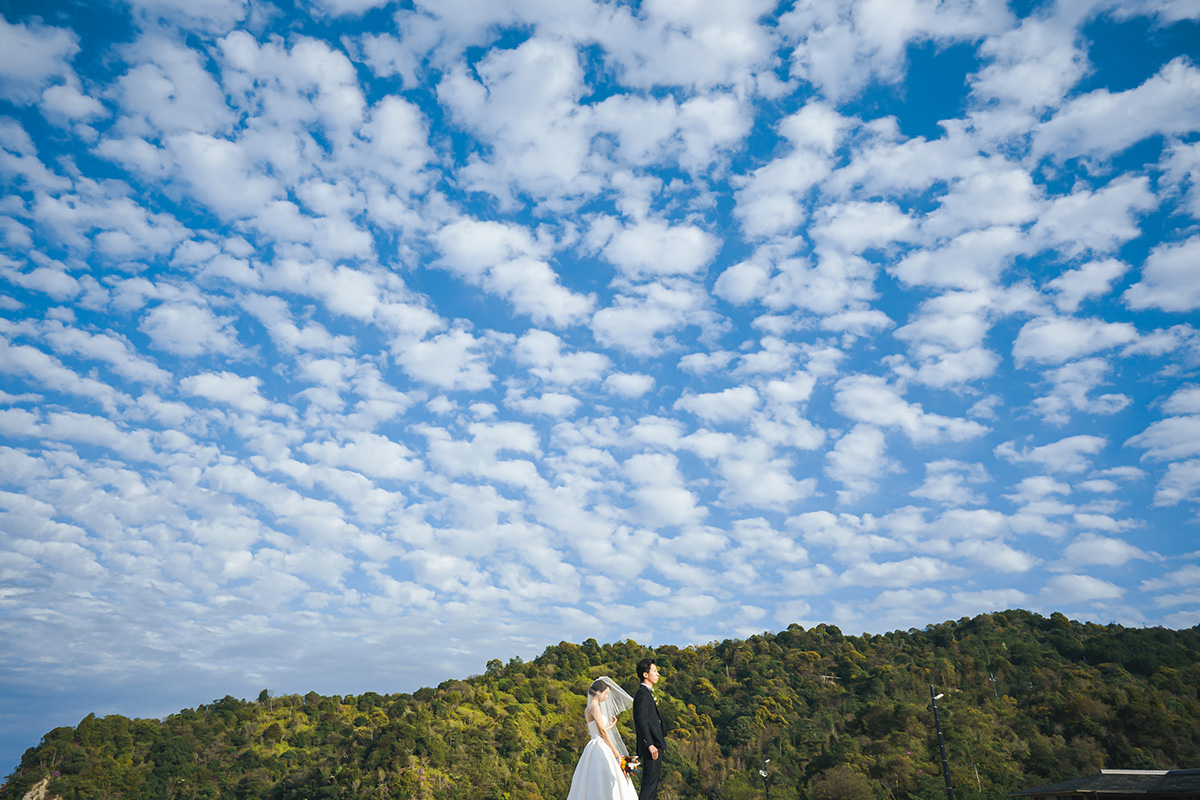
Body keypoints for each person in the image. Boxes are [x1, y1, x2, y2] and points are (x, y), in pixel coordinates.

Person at [565, 677, 639, 800]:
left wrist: (610, 726)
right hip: (600, 745)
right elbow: (602, 732)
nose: (606, 697)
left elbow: (597, 730)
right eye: (605, 694)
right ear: (598, 692)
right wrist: (616, 753)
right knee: (606, 776)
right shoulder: (595, 707)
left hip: (594, 743)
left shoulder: (589, 708)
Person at [633, 658, 665, 800]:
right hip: (651, 746)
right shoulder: (642, 694)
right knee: (649, 785)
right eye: (654, 671)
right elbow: (641, 721)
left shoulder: (647, 693)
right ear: (645, 674)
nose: (658, 674)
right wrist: (650, 744)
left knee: (652, 784)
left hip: (655, 744)